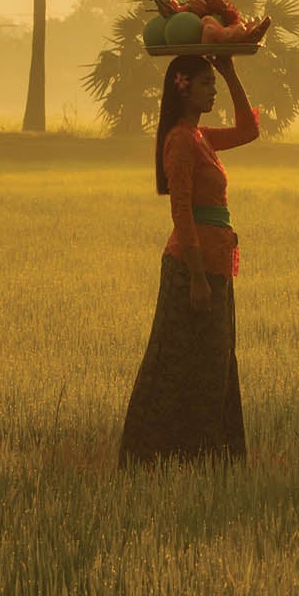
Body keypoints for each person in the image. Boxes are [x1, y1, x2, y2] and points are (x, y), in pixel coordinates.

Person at [120, 53, 260, 465]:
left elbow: (249, 130)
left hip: (215, 266)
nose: (212, 89)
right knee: (177, 360)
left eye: (212, 83)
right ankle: (160, 455)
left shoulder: (200, 137)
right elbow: (180, 210)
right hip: (191, 268)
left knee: (214, 359)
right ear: (183, 89)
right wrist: (197, 277)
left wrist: (231, 72)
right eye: (206, 83)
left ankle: (207, 456)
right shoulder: (181, 140)